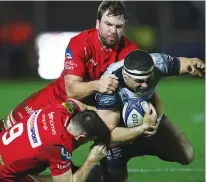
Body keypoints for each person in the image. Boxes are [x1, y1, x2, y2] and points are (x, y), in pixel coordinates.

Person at [0, 1, 138, 132]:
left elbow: (145, 87)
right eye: (108, 24)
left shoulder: (131, 53)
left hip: (88, 113)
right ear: (97, 23)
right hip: (56, 99)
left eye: (118, 26)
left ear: (124, 28)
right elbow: (72, 91)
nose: (113, 30)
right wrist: (98, 85)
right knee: (8, 126)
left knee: (45, 151)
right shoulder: (80, 43)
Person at [93, 50, 205, 182]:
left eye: (148, 78)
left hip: (149, 118)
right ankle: (97, 172)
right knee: (114, 177)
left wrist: (193, 63)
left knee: (187, 155)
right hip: (119, 131)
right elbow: (107, 135)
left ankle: (145, 145)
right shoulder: (109, 87)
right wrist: (141, 129)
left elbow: (184, 63)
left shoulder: (158, 63)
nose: (145, 85)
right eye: (139, 81)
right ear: (126, 75)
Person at [0, 99, 111, 182]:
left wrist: (96, 113)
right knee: (90, 176)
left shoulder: (59, 110)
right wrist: (91, 160)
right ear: (81, 137)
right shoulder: (58, 147)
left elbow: (75, 103)